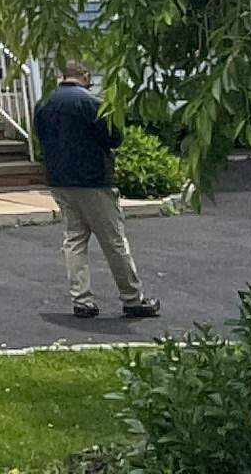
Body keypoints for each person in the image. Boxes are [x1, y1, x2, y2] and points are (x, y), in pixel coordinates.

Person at [32, 59, 161, 319]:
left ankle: (82, 300)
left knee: (74, 238)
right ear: (85, 75)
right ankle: (132, 298)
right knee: (113, 240)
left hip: (59, 179)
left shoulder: (43, 103)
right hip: (93, 180)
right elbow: (114, 138)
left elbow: (40, 136)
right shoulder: (91, 103)